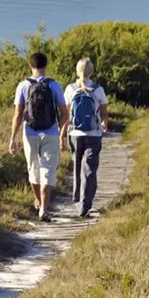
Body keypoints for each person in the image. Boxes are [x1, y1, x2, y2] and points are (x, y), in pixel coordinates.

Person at [9, 51, 68, 222]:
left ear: (30, 65)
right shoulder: (54, 85)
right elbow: (65, 113)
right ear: (45, 65)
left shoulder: (23, 86)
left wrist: (13, 138)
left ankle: (38, 201)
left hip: (30, 133)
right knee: (48, 170)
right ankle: (44, 208)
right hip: (51, 132)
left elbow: (17, 114)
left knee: (33, 170)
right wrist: (61, 133)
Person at [62, 57, 109, 218]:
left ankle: (76, 200)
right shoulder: (98, 90)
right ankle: (85, 204)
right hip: (94, 134)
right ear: (91, 71)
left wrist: (63, 132)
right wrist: (104, 125)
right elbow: (104, 114)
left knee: (76, 167)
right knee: (89, 169)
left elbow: (67, 114)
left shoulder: (70, 89)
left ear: (77, 71)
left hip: (74, 134)